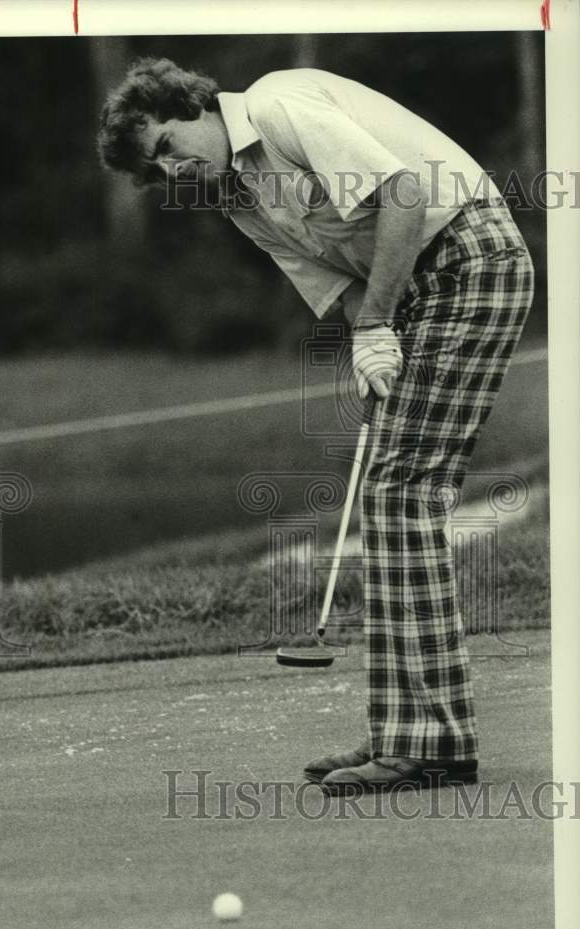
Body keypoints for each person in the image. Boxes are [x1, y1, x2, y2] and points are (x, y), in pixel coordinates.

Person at [97, 58, 534, 793]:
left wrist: (375, 326)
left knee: (398, 492)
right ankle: (411, 730)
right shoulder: (234, 198)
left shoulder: (276, 106)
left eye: (170, 145)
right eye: (156, 169)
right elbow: (336, 288)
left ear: (193, 104)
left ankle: (427, 742)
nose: (172, 171)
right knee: (392, 494)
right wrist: (370, 344)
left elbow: (402, 191)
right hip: (418, 291)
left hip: (471, 257)